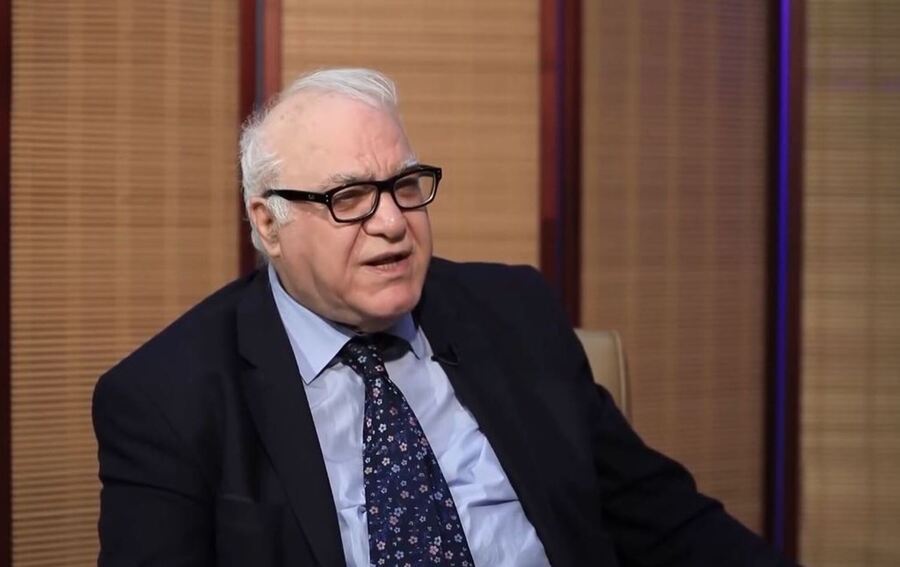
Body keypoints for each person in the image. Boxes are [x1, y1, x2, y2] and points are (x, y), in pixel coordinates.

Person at [93, 68, 793, 567]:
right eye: (349, 198)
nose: (393, 222)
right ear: (268, 223)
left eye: (404, 185)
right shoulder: (167, 398)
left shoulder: (515, 315)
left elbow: (665, 523)